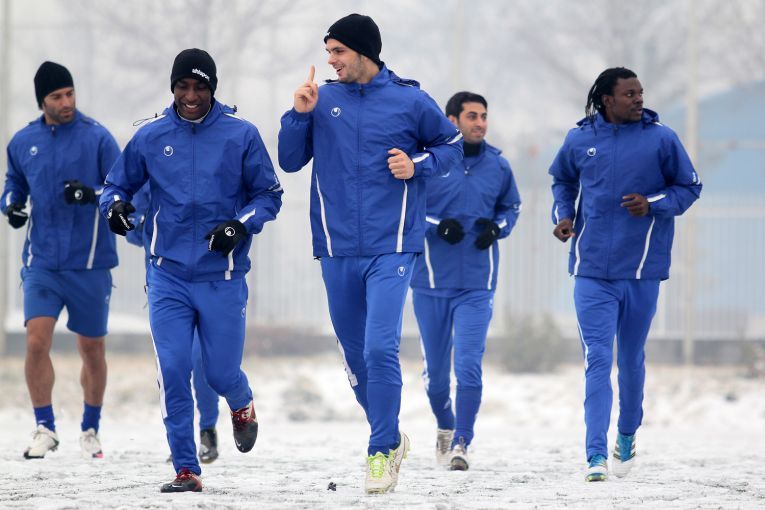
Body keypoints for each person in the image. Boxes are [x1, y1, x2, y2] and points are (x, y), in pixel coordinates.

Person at [278, 13, 463, 494]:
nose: (331, 61)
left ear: (364, 52)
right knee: (356, 356)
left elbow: (452, 147)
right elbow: (290, 161)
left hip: (392, 244)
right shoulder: (321, 100)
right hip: (336, 246)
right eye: (328, 52)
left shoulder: (410, 100)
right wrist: (299, 114)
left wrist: (417, 163)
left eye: (338, 51)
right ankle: (391, 434)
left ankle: (379, 450)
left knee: (381, 347)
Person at [99, 48, 282, 492]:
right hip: (168, 276)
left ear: (213, 89)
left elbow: (269, 196)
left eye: (200, 87)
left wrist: (238, 226)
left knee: (219, 374)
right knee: (174, 370)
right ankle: (186, 468)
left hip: (222, 278)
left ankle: (241, 403)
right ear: (173, 88)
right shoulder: (151, 136)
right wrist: (115, 207)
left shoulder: (241, 135)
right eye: (183, 86)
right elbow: (116, 185)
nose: (192, 95)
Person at [548, 67, 701, 482]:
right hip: (591, 270)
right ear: (607, 100)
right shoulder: (579, 138)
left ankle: (628, 433)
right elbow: (562, 180)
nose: (638, 99)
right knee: (598, 357)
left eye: (640, 92)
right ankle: (595, 455)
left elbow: (689, 187)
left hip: (641, 269)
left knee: (631, 359)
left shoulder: (662, 139)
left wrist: (653, 203)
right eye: (629, 94)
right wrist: (564, 216)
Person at [1, 61, 120, 460]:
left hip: (90, 262)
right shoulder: (23, 141)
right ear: (43, 101)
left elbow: (123, 189)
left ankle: (91, 428)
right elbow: (14, 183)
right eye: (57, 96)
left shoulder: (98, 138)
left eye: (70, 93)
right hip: (42, 262)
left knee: (92, 349)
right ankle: (45, 427)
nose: (66, 102)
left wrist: (90, 194)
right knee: (36, 342)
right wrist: (11, 205)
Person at [409, 91, 521, 471]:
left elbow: (511, 207)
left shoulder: (498, 166)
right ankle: (445, 424)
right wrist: (437, 226)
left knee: (469, 365)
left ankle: (462, 441)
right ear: (452, 120)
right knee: (438, 378)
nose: (481, 123)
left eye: (484, 116)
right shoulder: (430, 161)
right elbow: (409, 208)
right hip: (430, 283)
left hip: (477, 283)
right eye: (472, 116)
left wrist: (498, 227)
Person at [125, 184, 220, 465]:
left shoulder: (205, 173)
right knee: (174, 367)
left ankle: (208, 428)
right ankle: (182, 443)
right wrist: (144, 221)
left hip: (209, 281)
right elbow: (131, 229)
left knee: (202, 361)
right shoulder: (148, 178)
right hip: (166, 286)